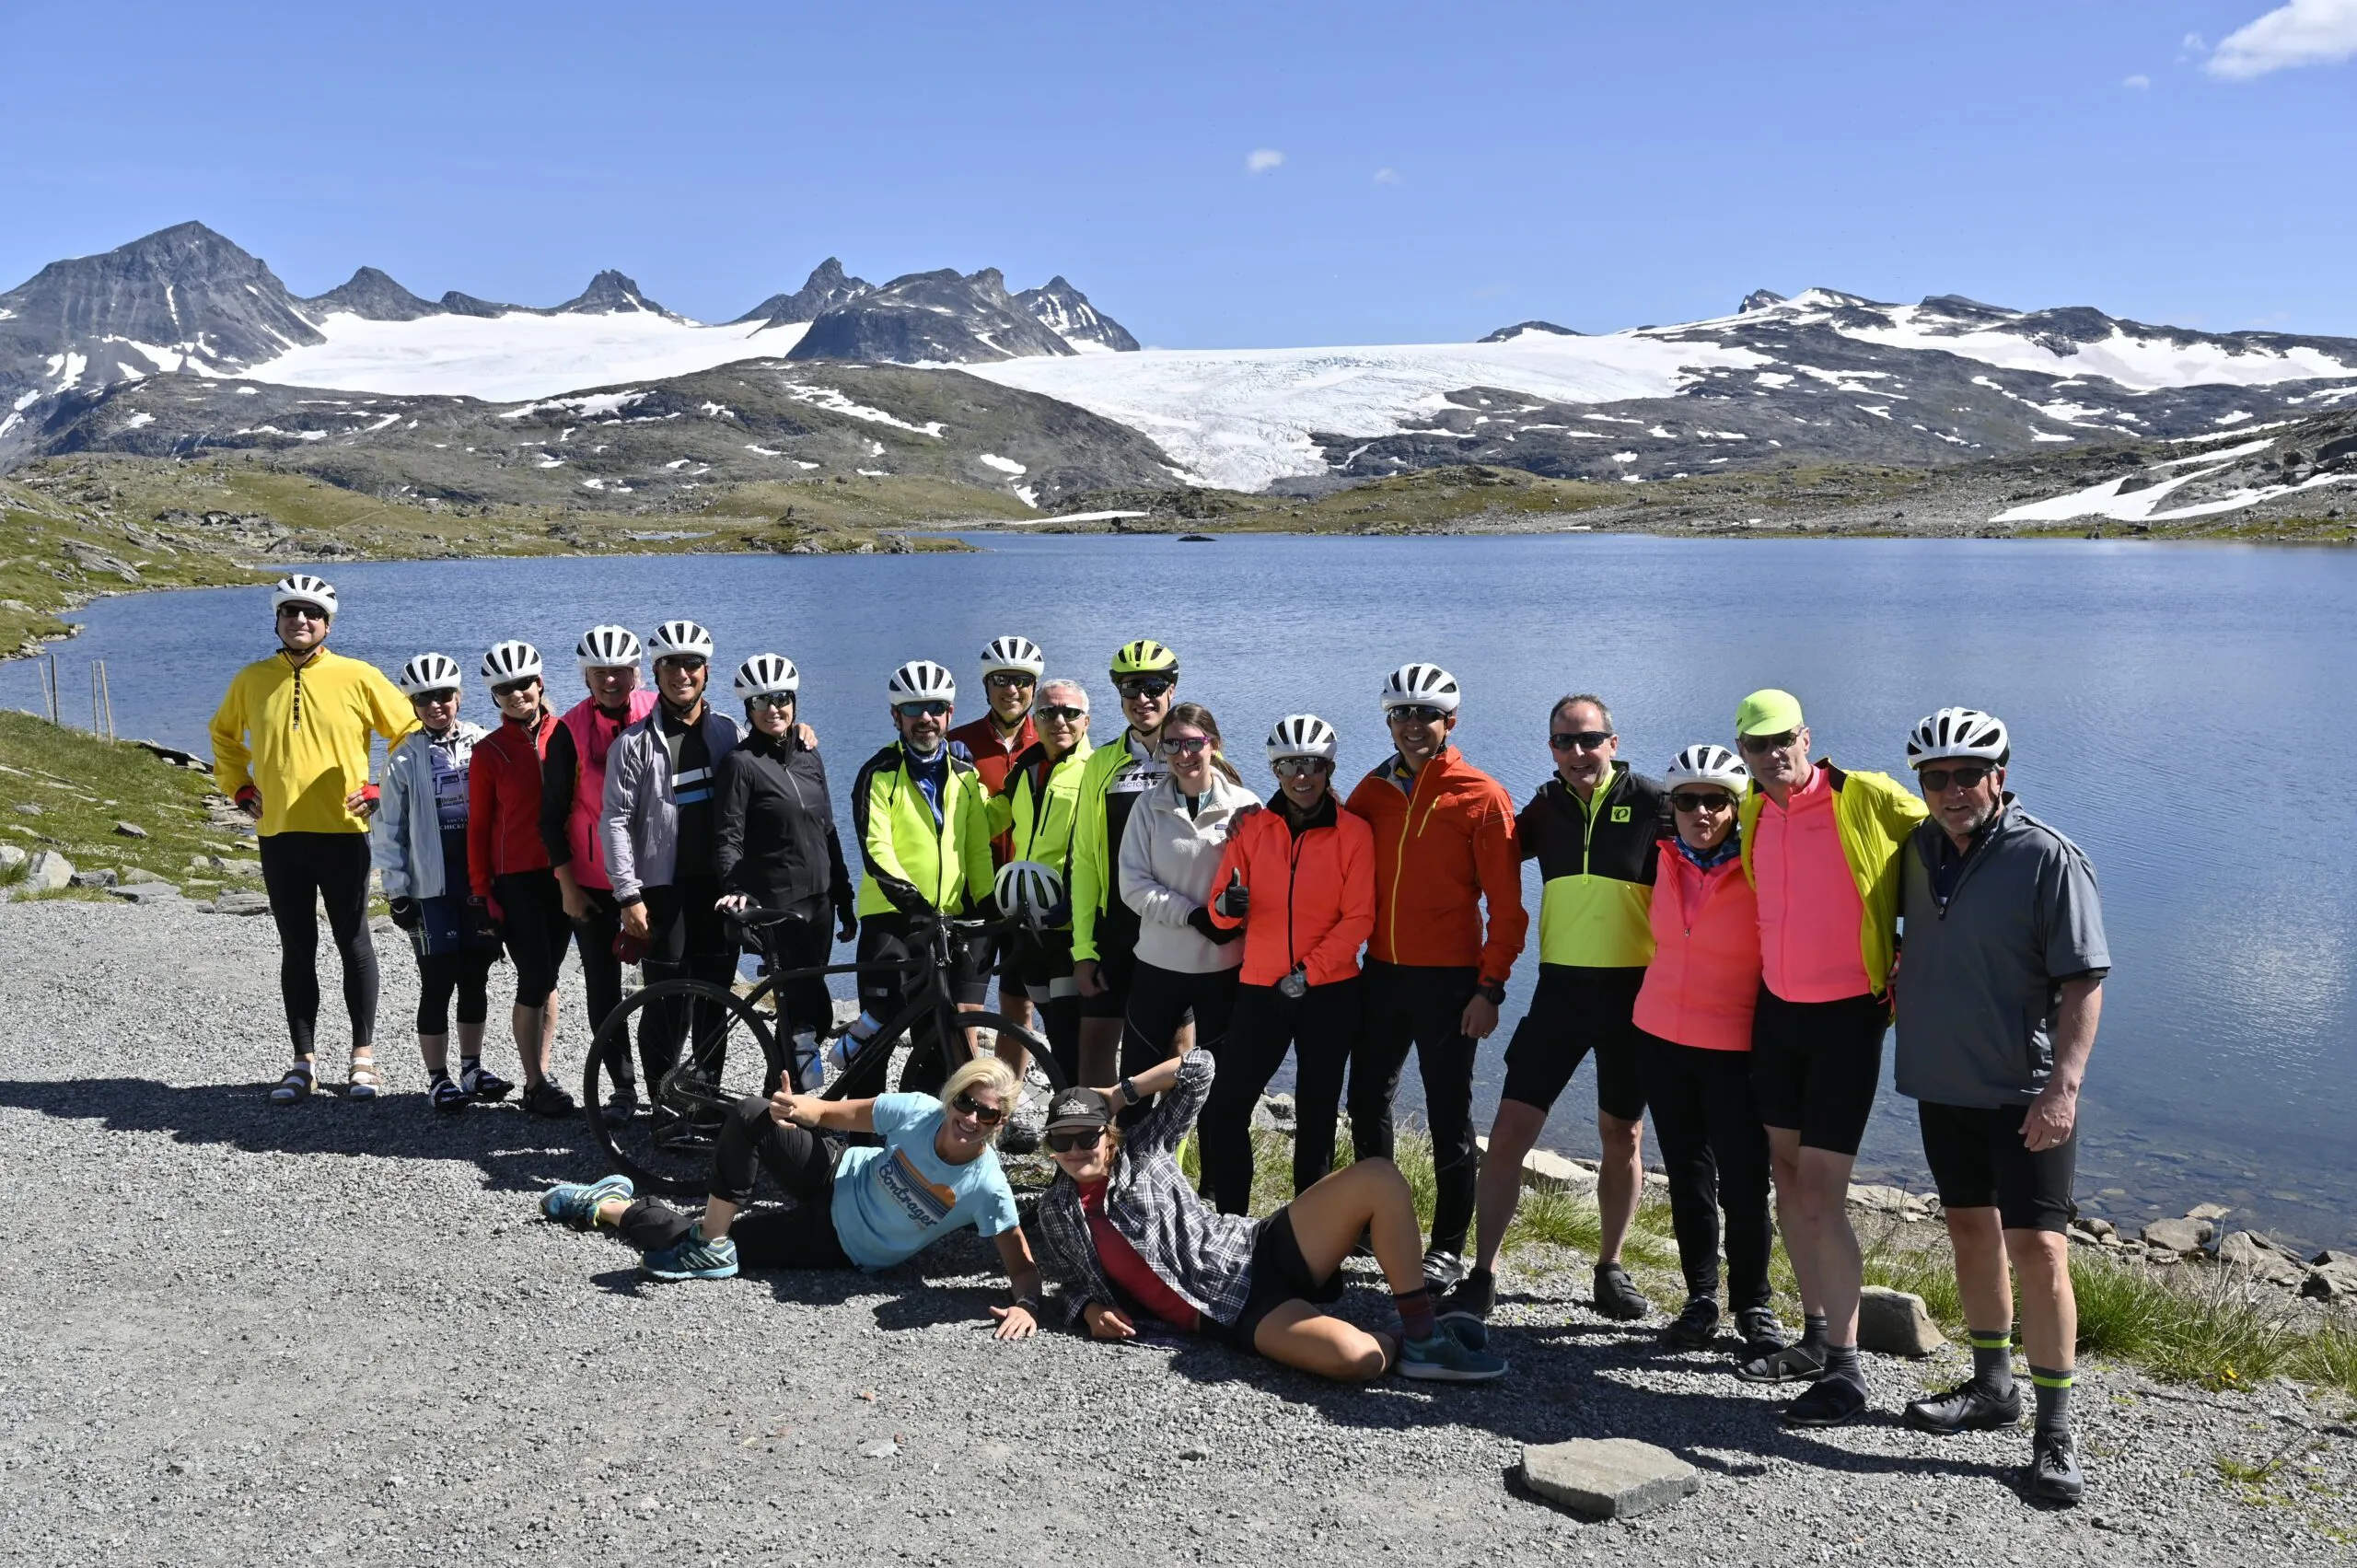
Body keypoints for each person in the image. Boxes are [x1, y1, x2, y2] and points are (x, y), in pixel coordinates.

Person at [1893, 708, 2108, 1504]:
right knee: (1969, 1232)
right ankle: (1993, 1386)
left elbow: (2084, 980)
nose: (1952, 791)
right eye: (1935, 778)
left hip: (2027, 1093)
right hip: (1943, 1084)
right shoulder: (1916, 850)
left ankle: (2055, 1428)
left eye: (1967, 775)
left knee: (2042, 1250)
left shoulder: (2047, 856)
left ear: (2000, 776)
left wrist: (2066, 1088)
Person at [1033, 1051, 1507, 1382]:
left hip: (1259, 1248)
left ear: (1108, 1135)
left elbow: (1201, 1068)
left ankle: (1424, 1336)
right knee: (1358, 1360)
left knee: (1380, 1177)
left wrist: (1122, 1091)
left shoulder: (1147, 1147)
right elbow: (1069, 1282)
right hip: (1236, 1316)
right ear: (1051, 1149)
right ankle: (1406, 1335)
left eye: (1087, 1136)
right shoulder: (1056, 1212)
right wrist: (1091, 1311)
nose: (1076, 1150)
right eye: (1061, 1141)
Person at [1731, 688, 1927, 1426]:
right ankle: (1816, 1336)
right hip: (1777, 1011)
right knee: (1786, 1179)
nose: (1773, 753)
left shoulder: (1864, 794)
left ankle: (1847, 1371)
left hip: (1849, 1016)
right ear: (1744, 753)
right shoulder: (1753, 808)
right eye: (1757, 744)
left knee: (1821, 1193)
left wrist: (1917, 949)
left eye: (1784, 738)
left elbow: (1945, 842)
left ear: (1807, 736)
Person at [540, 1057, 1044, 1339]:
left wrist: (1027, 1306)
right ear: (952, 1095)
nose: (972, 1118)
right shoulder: (917, 1111)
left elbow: (1021, 1267)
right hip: (833, 1174)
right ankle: (711, 1240)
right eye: (966, 1103)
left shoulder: (987, 1186)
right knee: (752, 1113)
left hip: (839, 1246)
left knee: (683, 1242)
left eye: (989, 1115)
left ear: (1001, 1124)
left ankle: (607, 1206)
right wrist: (798, 1108)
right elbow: (831, 1114)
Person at [1447, 694, 1666, 1326]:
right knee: (1511, 1131)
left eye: (1589, 740)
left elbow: (1718, 857)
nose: (1578, 753)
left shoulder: (1655, 802)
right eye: (1564, 743)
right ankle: (1482, 1272)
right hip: (1560, 992)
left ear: (1614, 741)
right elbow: (1485, 859)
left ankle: (1610, 1266)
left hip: (1635, 994)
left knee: (1622, 1134)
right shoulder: (1544, 807)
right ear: (1551, 749)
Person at [1342, 663, 1528, 1291]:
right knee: (1367, 1099)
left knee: (1450, 1113)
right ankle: (1372, 1216)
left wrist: (1490, 987)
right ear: (1388, 720)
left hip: (1450, 980)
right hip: (1380, 974)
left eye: (1426, 714)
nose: (1413, 725)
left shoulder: (1482, 795)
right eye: (1401, 713)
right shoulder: (1370, 791)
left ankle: (1448, 1244)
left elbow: (1508, 907)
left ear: (1451, 721)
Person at [209, 574, 416, 1104]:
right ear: (277, 621)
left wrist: (378, 789)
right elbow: (223, 735)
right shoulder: (252, 679)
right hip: (279, 834)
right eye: (290, 613)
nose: (301, 621)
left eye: (312, 614)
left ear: (327, 623)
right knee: (297, 948)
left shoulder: (358, 675)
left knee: (354, 944)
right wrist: (238, 787)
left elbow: (408, 730)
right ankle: (303, 1062)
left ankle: (362, 1060)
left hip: (343, 833)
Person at [1628, 745, 1782, 1364]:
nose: (1701, 812)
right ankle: (1700, 1298)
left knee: (1745, 1185)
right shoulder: (1657, 857)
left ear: (1737, 805)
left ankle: (1755, 1305)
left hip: (1737, 1046)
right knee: (1689, 1178)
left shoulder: (1762, 864)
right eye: (1687, 800)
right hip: (1660, 1038)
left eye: (1716, 800)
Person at [1198, 714, 1374, 1213]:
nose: (1302, 776)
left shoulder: (1354, 834)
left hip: (1330, 993)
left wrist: (1307, 975)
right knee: (1229, 1108)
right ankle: (1232, 1223)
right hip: (1260, 989)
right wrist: (1224, 909)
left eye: (1313, 765)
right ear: (1274, 771)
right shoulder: (1252, 828)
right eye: (1290, 765)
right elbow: (1220, 907)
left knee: (1317, 1118)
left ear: (1329, 768)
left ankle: (1309, 1240)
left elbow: (1359, 917)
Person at [602, 621, 742, 1120]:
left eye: (692, 665)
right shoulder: (634, 744)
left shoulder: (728, 730)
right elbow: (614, 823)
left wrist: (799, 735)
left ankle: (703, 1102)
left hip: (719, 889)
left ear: (706, 672)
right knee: (665, 1001)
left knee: (714, 1001)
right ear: (655, 674)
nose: (683, 674)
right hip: (663, 890)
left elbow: (760, 779)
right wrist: (628, 896)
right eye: (671, 665)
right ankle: (663, 1103)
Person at [843, 659, 996, 1093]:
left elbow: (977, 852)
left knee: (935, 1036)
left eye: (935, 707)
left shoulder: (966, 777)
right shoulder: (878, 774)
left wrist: (988, 911)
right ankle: (863, 1140)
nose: (925, 718)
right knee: (879, 1033)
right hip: (890, 920)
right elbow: (877, 849)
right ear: (896, 717)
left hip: (946, 920)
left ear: (949, 714)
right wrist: (915, 906)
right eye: (913, 709)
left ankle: (925, 1135)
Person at [714, 653, 855, 1093]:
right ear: (748, 709)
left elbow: (828, 829)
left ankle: (781, 1108)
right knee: (802, 1011)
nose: (773, 707)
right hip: (778, 903)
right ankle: (780, 1112)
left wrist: (845, 894)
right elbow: (728, 834)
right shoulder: (742, 763)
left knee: (805, 1010)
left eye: (781, 698)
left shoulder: (809, 755)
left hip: (819, 901)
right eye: (761, 701)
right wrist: (734, 886)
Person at [1114, 703, 1257, 1121]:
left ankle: (1214, 1186)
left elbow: (1264, 880)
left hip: (1223, 968)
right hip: (1158, 967)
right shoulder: (1147, 806)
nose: (1183, 753)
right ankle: (1129, 1181)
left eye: (1194, 742)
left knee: (1219, 1089)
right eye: (1172, 744)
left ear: (1214, 745)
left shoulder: (1246, 807)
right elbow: (1133, 886)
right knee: (1136, 1088)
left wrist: (1237, 914)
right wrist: (1195, 916)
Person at [372, 653, 498, 1115]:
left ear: (459, 696)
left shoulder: (482, 742)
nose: (435, 705)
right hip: (431, 889)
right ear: (413, 704)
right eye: (424, 698)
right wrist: (397, 891)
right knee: (437, 982)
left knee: (476, 978)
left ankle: (472, 1068)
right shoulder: (404, 757)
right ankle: (437, 1078)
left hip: (478, 884)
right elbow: (388, 829)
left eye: (444, 695)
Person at [540, 624, 659, 1101]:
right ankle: (623, 1088)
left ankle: (663, 1084)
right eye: (599, 672)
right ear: (585, 677)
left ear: (637, 673)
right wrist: (567, 886)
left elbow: (725, 741)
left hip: (655, 877)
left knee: (664, 984)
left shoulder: (658, 710)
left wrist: (794, 730)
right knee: (604, 989)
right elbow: (550, 818)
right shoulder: (568, 730)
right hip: (593, 883)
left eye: (620, 671)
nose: (610, 680)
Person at [466, 640, 576, 1117]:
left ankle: (543, 1073)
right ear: (495, 696)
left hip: (567, 873)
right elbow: (479, 825)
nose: (516, 695)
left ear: (540, 683)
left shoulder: (567, 733)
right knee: (534, 977)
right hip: (517, 879)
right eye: (505, 689)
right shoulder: (488, 752)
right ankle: (534, 1083)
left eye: (523, 684)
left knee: (549, 978)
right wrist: (481, 891)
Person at [1069, 639, 1184, 1088]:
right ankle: (1100, 1154)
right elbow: (1083, 859)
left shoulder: (1194, 754)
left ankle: (1165, 1154)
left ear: (1172, 688)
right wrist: (1082, 948)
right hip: (1115, 926)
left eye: (1153, 685)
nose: (1142, 699)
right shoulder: (1100, 763)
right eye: (1130, 688)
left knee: (1177, 1051)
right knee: (1096, 1046)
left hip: (1177, 927)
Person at [986, 677, 1096, 1085]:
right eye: (1049, 712)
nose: (1060, 721)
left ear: (1086, 720)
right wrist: (956, 775)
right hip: (1027, 920)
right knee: (1036, 1017)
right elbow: (993, 818)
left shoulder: (1096, 770)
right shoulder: (1027, 766)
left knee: (1068, 1031)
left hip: (1070, 926)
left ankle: (1077, 1123)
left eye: (1070, 713)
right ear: (1036, 718)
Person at [946, 636, 1045, 1064]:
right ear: (986, 686)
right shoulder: (957, 740)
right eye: (1001, 680)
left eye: (1021, 681)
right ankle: (969, 1094)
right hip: (976, 890)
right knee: (966, 1007)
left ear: (1033, 688)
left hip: (1030, 891)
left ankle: (1005, 1101)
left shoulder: (1052, 737)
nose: (1011, 690)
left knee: (1019, 1006)